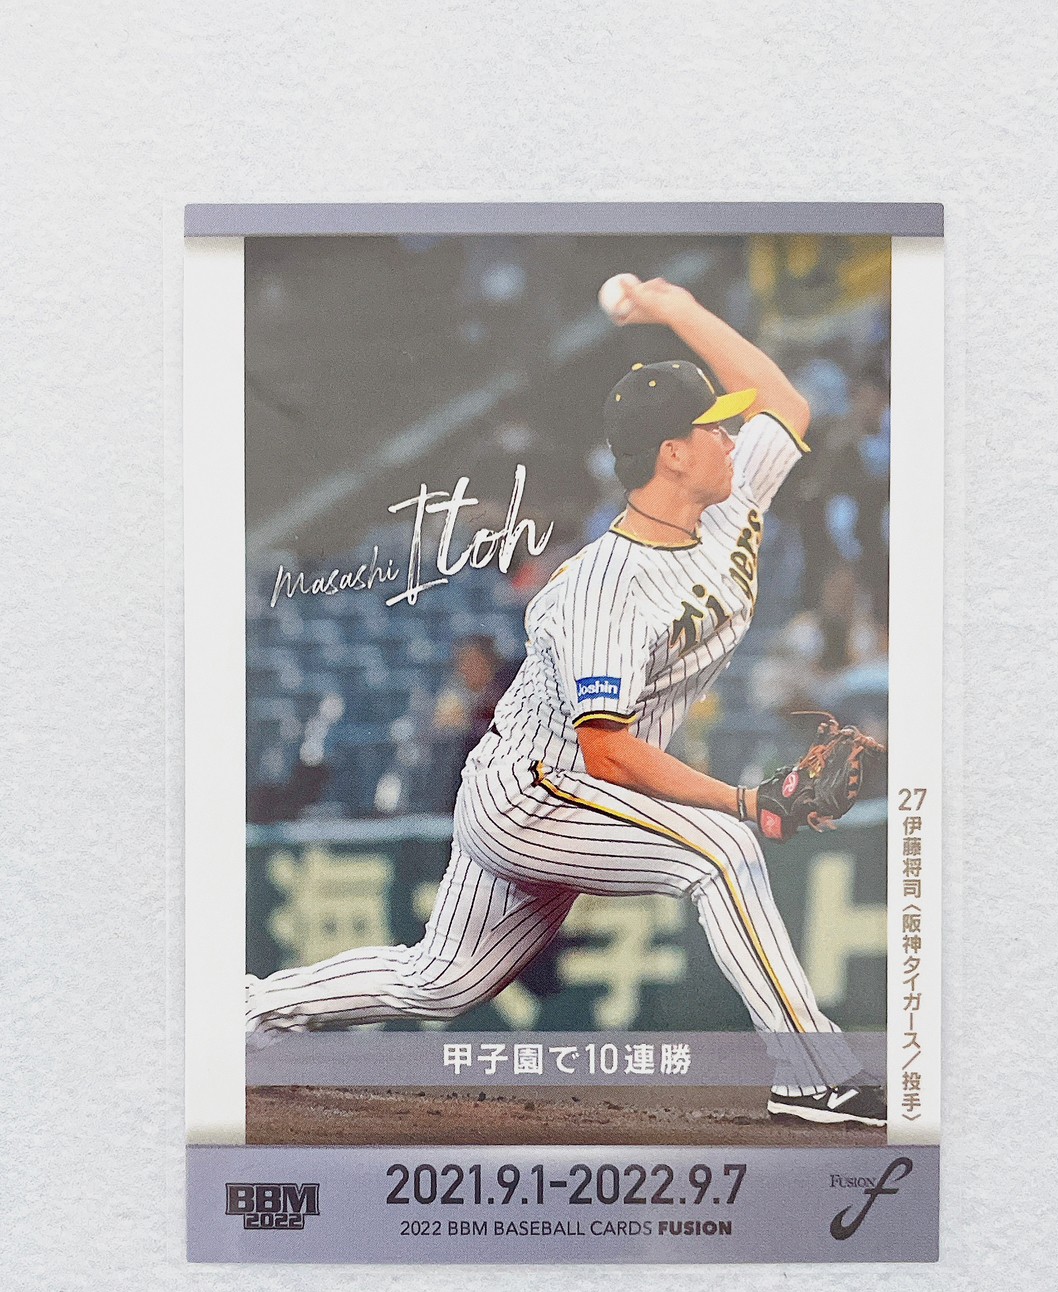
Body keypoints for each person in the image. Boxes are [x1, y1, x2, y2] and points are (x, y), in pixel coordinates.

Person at [247, 278, 885, 1128]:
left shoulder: (727, 502)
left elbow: (787, 406)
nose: (732, 436)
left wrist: (676, 311)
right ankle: (813, 1073)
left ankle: (247, 1009)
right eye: (712, 426)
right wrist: (742, 800)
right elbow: (606, 753)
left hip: (570, 787)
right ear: (671, 454)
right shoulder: (603, 589)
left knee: (442, 979)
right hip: (534, 792)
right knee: (721, 851)